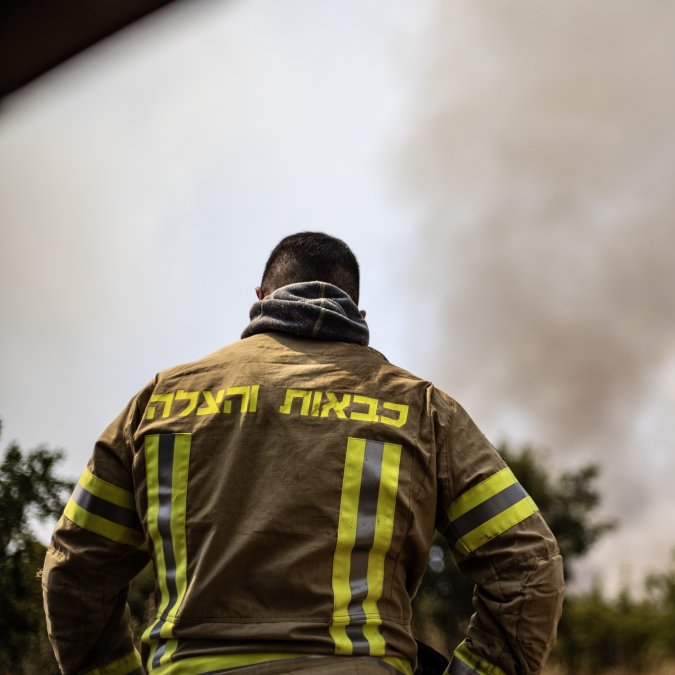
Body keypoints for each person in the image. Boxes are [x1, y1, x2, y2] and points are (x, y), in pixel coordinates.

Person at [42, 232, 565, 675]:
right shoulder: (421, 410)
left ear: (261, 295)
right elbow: (528, 565)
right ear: (357, 311)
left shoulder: (159, 401)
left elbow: (75, 568)